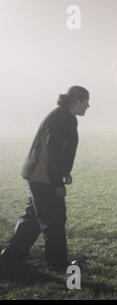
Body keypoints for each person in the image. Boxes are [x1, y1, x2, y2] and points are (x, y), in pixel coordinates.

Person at [0, 86, 90, 272]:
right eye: (85, 101)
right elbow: (51, 153)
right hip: (43, 178)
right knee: (54, 219)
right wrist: (57, 183)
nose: (88, 105)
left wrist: (64, 171)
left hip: (38, 175)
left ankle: (10, 258)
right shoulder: (62, 119)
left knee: (32, 220)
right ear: (75, 102)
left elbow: (57, 152)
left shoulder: (65, 116)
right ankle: (58, 264)